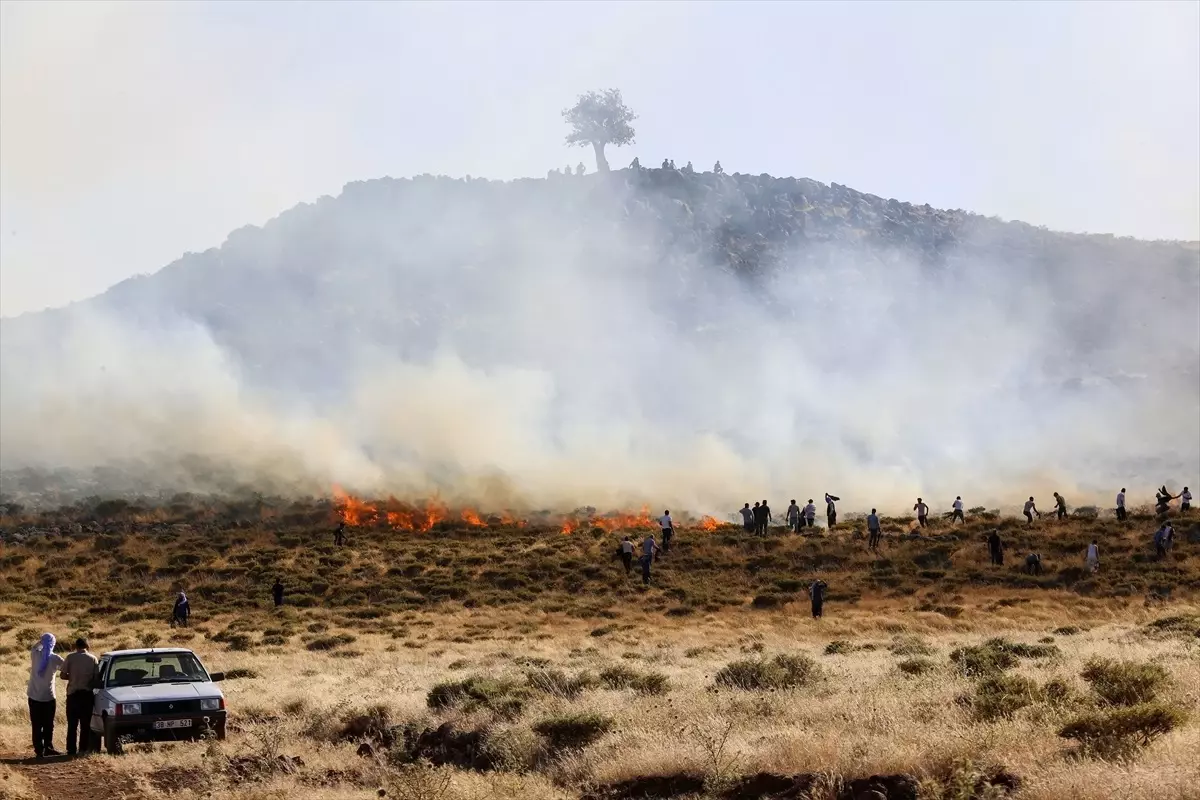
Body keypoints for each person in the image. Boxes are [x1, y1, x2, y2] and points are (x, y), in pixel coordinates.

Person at [27, 633, 65, 759]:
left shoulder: (35, 654)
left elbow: (34, 647)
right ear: (53, 644)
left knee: (36, 724)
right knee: (49, 724)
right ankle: (48, 747)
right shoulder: (55, 658)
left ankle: (39, 750)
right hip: (49, 697)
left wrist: (41, 642)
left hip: (33, 696)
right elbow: (66, 669)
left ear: (42, 643)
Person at [60, 638, 98, 757]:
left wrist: (72, 678)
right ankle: (83, 748)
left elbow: (62, 675)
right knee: (85, 724)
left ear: (76, 646)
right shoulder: (93, 658)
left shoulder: (70, 657)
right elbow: (96, 678)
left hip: (73, 694)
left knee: (72, 724)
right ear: (87, 646)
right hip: (87, 695)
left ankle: (71, 749)